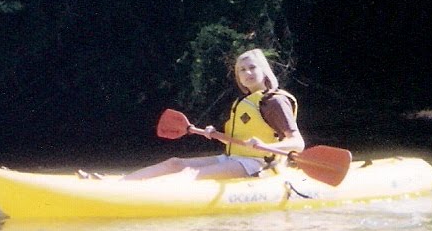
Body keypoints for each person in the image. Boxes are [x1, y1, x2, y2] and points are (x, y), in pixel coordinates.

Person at [118, 48, 304, 180]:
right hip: (233, 158)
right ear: (238, 76)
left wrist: (264, 145)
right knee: (174, 163)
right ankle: (120, 185)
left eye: (252, 67)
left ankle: (138, 195)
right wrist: (215, 134)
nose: (247, 73)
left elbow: (298, 143)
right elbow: (237, 142)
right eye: (242, 70)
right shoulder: (243, 102)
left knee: (188, 175)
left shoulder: (274, 101)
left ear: (264, 70)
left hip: (258, 164)